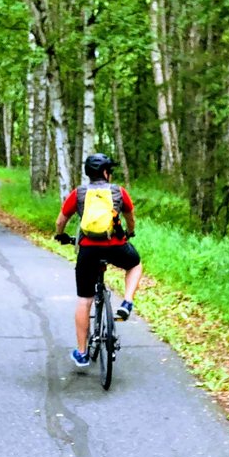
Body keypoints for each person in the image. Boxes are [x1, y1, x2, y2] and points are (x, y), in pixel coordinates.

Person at [53, 153, 142, 367]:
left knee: (84, 299)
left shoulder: (79, 193)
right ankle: (127, 302)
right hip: (116, 247)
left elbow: (61, 221)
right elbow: (130, 218)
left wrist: (61, 235)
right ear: (105, 172)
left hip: (88, 250)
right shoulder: (119, 192)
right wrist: (130, 233)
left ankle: (82, 353)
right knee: (135, 264)